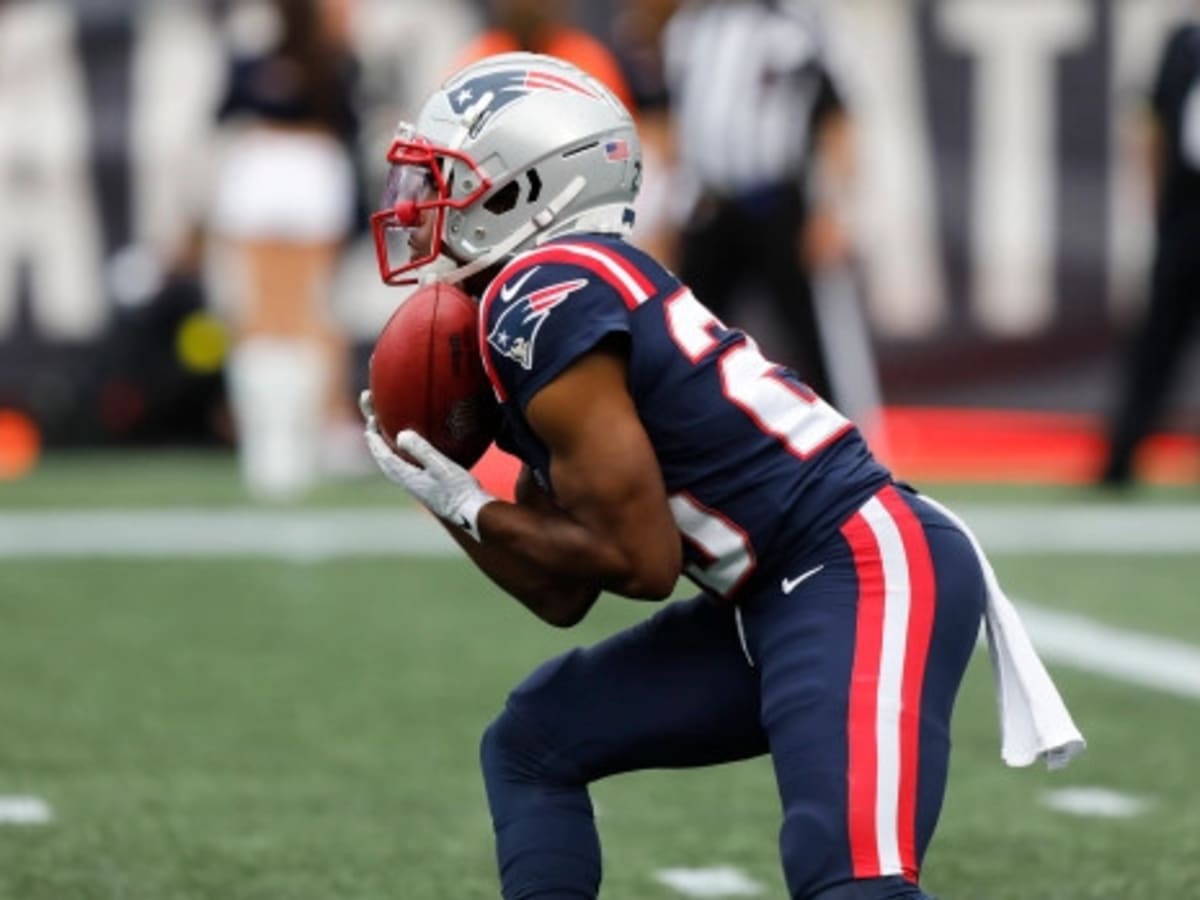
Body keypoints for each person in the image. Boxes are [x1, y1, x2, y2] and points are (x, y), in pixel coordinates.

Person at [361, 52, 1085, 900]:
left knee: (849, 880)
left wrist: (472, 504)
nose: (417, 209)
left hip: (857, 566)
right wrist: (445, 491)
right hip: (774, 594)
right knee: (532, 743)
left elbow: (640, 561)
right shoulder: (540, 300)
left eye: (445, 179)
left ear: (524, 190)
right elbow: (560, 592)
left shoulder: (542, 293)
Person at [662, 0, 864, 412]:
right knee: (683, 339)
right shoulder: (688, 27)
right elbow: (675, 123)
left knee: (816, 341)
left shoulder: (794, 23)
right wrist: (669, 211)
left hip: (777, 207)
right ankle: (682, 448)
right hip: (709, 208)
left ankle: (850, 447)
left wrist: (833, 209)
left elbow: (835, 117)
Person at [207, 0, 363, 499]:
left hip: (314, 161)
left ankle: (313, 429)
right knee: (262, 307)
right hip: (263, 160)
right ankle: (265, 439)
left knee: (309, 305)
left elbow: (345, 111)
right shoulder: (251, 41)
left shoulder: (332, 46)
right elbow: (226, 106)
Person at [1100, 17, 1200, 486]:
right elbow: (1156, 124)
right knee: (1156, 342)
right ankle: (1121, 457)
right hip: (1184, 217)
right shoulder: (1182, 42)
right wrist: (1158, 203)